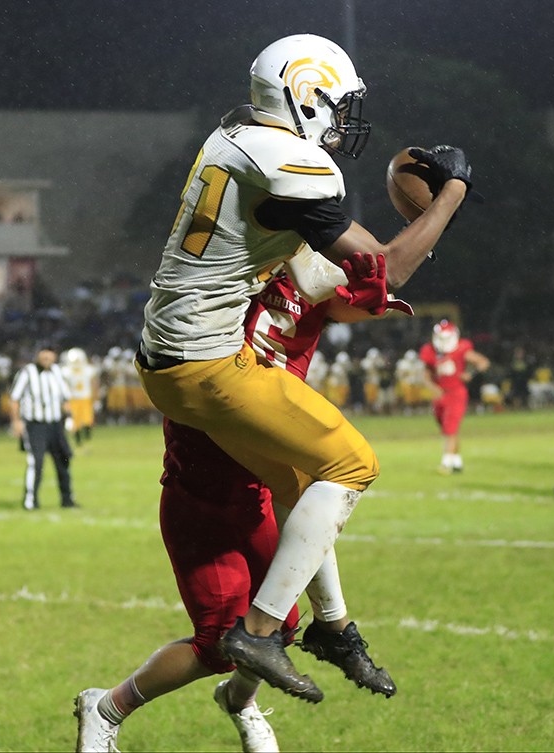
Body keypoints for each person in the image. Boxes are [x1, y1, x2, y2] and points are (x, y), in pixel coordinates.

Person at [133, 33, 472, 701]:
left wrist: (367, 287)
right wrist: (453, 191)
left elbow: (338, 273)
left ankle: (333, 626)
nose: (343, 123)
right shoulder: (292, 165)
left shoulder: (236, 134)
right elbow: (387, 263)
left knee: (293, 479)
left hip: (169, 358)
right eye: (337, 106)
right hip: (208, 363)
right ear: (305, 97)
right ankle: (258, 631)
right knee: (352, 464)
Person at [76, 256, 404, 753]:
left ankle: (240, 700)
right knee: (216, 643)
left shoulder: (312, 299)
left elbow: (372, 295)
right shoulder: (221, 302)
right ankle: (106, 706)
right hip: (200, 500)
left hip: (259, 495)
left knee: (279, 626)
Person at [418, 320, 491, 474]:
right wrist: (433, 387)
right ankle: (457, 462)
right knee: (447, 429)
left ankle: (446, 463)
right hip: (439, 394)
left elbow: (483, 362)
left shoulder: (462, 348)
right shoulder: (429, 350)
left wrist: (470, 374)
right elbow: (425, 375)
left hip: (456, 392)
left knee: (450, 429)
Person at [9, 346, 77, 509]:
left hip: (55, 424)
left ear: (54, 356)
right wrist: (16, 421)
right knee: (36, 462)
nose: (47, 356)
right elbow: (14, 398)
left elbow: (65, 398)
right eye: (43, 352)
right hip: (35, 425)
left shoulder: (57, 371)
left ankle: (67, 499)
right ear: (38, 355)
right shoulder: (27, 372)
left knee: (64, 460)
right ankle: (30, 501)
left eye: (50, 353)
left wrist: (69, 418)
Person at [62, 347, 99, 446]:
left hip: (86, 398)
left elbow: (94, 384)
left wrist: (96, 399)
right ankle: (78, 438)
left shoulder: (88, 370)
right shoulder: (66, 371)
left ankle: (87, 434)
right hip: (73, 399)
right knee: (75, 420)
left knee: (87, 419)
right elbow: (64, 386)